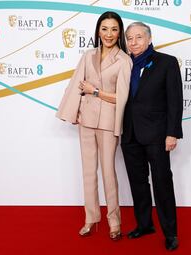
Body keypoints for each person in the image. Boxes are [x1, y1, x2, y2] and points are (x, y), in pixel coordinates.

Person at [55, 11, 132, 241]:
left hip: (108, 122)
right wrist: (73, 112)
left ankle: (114, 222)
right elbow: (76, 85)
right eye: (105, 28)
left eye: (114, 29)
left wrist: (96, 91)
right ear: (98, 30)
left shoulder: (124, 60)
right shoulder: (88, 55)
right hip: (86, 119)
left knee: (108, 172)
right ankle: (90, 219)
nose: (109, 34)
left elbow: (122, 97)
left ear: (120, 33)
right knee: (88, 171)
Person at [121, 22, 183, 251]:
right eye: (129, 38)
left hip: (157, 135)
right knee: (138, 184)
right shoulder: (124, 64)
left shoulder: (166, 62)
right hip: (130, 134)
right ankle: (145, 225)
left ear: (148, 39)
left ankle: (171, 233)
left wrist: (172, 133)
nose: (133, 42)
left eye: (138, 37)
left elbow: (175, 101)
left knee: (162, 184)